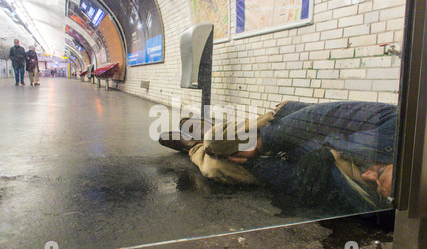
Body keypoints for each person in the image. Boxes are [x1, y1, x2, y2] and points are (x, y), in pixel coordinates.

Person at [159, 101, 397, 214]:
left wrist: (256, 164)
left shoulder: (376, 207)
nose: (368, 175)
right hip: (291, 131)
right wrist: (265, 142)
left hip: (290, 162)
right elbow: (322, 117)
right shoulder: (397, 125)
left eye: (376, 185)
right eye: (381, 172)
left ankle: (195, 146)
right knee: (217, 141)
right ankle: (211, 136)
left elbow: (300, 184)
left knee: (214, 168)